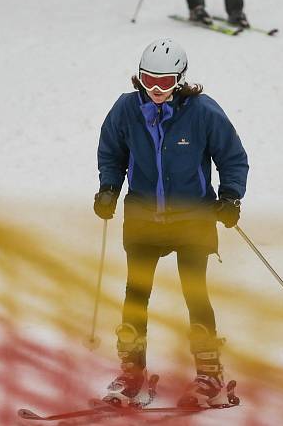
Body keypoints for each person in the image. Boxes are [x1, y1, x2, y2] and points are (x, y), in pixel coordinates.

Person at [94, 38, 248, 408]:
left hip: (193, 217)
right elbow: (111, 152)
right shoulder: (126, 110)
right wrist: (108, 188)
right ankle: (133, 374)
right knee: (135, 295)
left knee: (195, 294)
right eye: (148, 80)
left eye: (164, 82)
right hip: (144, 217)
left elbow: (233, 156)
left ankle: (209, 374)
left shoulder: (203, 112)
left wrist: (230, 196)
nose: (156, 90)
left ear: (179, 79)